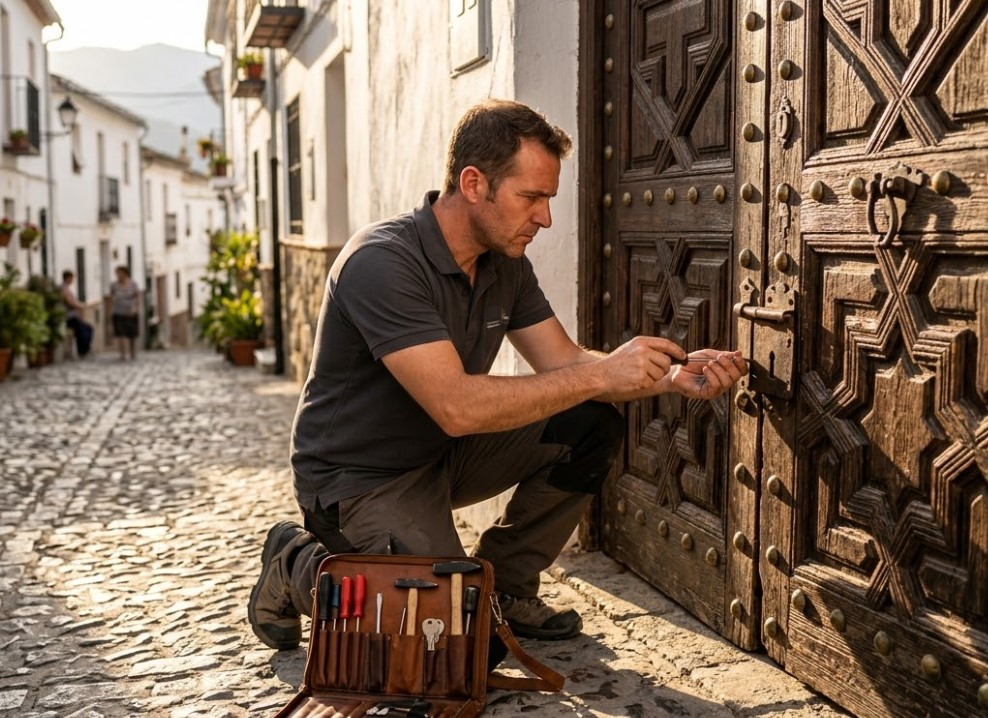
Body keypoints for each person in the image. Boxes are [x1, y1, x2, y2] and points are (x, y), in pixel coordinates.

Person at [247, 99, 748, 654]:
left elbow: (564, 363)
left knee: (588, 422)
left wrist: (671, 376)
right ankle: (295, 561)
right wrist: (604, 373)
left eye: (548, 200)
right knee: (458, 648)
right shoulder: (381, 262)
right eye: (531, 197)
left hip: (443, 456)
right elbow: (457, 407)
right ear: (474, 183)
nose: (545, 218)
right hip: (357, 481)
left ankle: (504, 586)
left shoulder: (505, 263)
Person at [109, 265, 140, 360]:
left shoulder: (133, 284)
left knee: (132, 334)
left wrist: (135, 308)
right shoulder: (114, 285)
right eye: (117, 273)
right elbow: (111, 297)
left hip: (130, 312)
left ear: (125, 273)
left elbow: (137, 296)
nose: (118, 275)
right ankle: (122, 354)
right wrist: (110, 309)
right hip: (118, 312)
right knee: (120, 333)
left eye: (120, 273)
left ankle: (132, 352)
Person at [60, 270, 93, 358]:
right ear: (68, 278)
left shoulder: (66, 288)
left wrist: (81, 305)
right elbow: (70, 302)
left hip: (72, 315)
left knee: (87, 329)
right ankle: (83, 351)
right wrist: (82, 305)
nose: (73, 280)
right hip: (69, 317)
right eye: (72, 278)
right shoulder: (64, 288)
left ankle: (84, 350)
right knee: (84, 330)